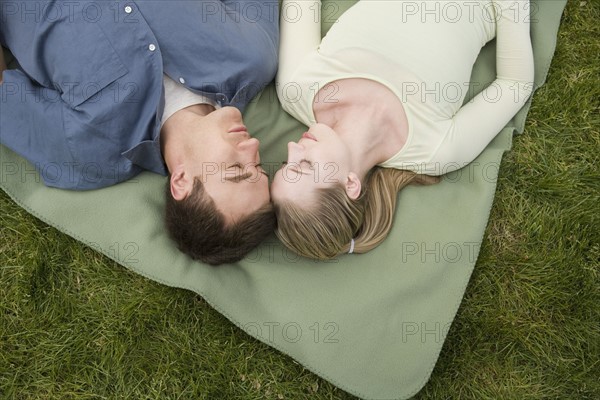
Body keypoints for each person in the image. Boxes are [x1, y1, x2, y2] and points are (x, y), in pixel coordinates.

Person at [0, 0, 279, 265]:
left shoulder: (90, 151)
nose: (253, 145)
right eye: (258, 165)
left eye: (236, 169)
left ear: (181, 181)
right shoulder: (252, 57)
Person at [272, 0, 534, 259]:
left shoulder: (296, 87)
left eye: (286, 162)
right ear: (350, 184)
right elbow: (515, 84)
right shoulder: (435, 149)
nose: (292, 147)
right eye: (303, 165)